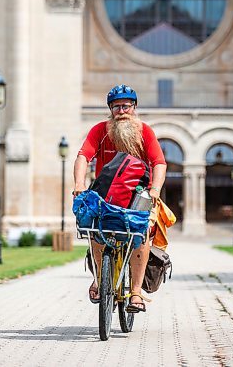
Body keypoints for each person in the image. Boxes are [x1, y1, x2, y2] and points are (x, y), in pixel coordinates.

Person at [73, 84, 167, 312]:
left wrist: (154, 189)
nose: (121, 111)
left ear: (134, 108)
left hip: (139, 194)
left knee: (141, 233)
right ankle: (98, 278)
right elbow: (83, 156)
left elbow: (159, 163)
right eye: (116, 107)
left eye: (126, 106)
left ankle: (136, 293)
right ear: (110, 110)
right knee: (94, 231)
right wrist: (79, 183)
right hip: (105, 194)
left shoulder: (144, 131)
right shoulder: (100, 130)